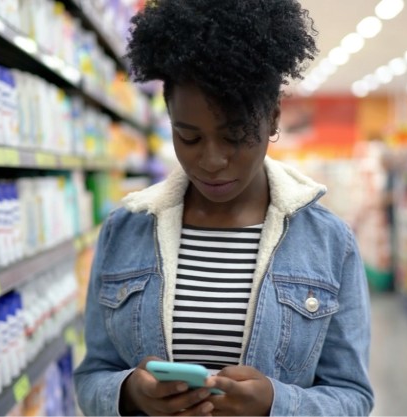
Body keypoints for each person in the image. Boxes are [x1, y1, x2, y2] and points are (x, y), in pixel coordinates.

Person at [73, 0, 374, 415]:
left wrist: (276, 404)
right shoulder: (124, 230)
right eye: (189, 138)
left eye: (235, 136)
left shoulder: (328, 242)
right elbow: (93, 375)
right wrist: (129, 394)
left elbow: (353, 396)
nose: (212, 161)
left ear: (272, 119)